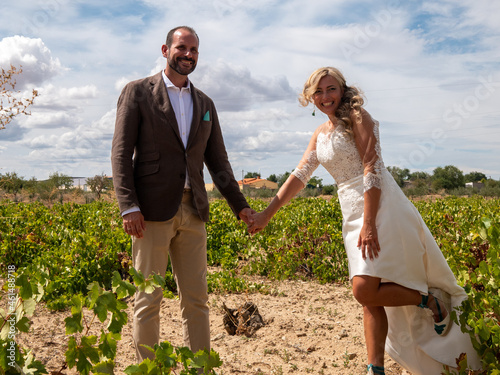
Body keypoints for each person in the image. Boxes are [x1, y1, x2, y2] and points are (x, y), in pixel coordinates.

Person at [247, 67, 481, 375]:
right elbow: (300, 176)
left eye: (330, 89)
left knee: (363, 288)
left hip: (381, 206)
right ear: (310, 97)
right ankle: (376, 368)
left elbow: (372, 166)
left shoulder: (359, 118)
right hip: (351, 211)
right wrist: (266, 213)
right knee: (370, 295)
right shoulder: (320, 134)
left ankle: (430, 300)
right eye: (318, 92)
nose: (325, 96)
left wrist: (370, 222)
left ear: (342, 90)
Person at [111, 26, 255, 361]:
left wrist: (241, 206)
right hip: (149, 213)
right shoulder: (138, 93)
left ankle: (200, 368)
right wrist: (128, 205)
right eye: (181, 48)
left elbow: (218, 162)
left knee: (197, 299)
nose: (187, 54)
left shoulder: (205, 103)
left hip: (193, 210)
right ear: (165, 49)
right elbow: (121, 153)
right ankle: (149, 368)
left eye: (194, 50)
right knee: (149, 299)